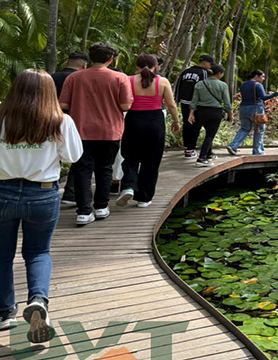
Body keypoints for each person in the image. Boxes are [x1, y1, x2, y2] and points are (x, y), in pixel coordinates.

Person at [0, 69, 83, 341]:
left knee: (1, 255)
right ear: (50, 92)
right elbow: (73, 156)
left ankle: (3, 313)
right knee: (38, 252)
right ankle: (38, 300)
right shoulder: (61, 122)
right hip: (41, 195)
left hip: (1, 193)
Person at [58, 42, 134, 226]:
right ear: (111, 58)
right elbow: (126, 106)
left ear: (90, 57)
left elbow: (63, 105)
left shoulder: (74, 78)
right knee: (105, 169)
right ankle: (101, 207)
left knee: (82, 170)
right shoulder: (120, 78)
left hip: (81, 130)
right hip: (109, 131)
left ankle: (83, 211)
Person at [117, 54, 181, 209]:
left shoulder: (129, 80)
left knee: (130, 156)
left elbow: (122, 101)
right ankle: (144, 198)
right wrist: (176, 121)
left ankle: (128, 185)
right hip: (154, 122)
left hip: (133, 120)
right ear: (156, 66)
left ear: (137, 66)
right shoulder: (163, 81)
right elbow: (171, 105)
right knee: (151, 161)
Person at [52, 51, 89, 208]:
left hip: (50, 121)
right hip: (75, 122)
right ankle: (70, 194)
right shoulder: (81, 79)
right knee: (79, 158)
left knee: (51, 158)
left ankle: (51, 192)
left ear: (67, 62)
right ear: (84, 65)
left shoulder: (51, 77)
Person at [187, 64, 233, 166]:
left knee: (200, 132)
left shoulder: (199, 84)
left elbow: (194, 101)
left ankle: (208, 153)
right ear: (219, 73)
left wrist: (191, 114)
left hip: (200, 111)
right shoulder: (222, 85)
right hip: (215, 112)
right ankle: (202, 158)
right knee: (210, 135)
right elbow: (227, 103)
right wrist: (231, 115)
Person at [227, 70, 278, 156]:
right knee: (259, 129)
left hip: (243, 108)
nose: (263, 78)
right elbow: (264, 97)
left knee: (244, 128)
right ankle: (257, 151)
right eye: (262, 76)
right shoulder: (258, 85)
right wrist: (276, 93)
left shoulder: (243, 84)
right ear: (256, 76)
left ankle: (233, 145)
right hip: (255, 109)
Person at [175, 55, 215, 158]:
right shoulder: (204, 73)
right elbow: (205, 87)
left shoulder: (186, 72)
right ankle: (191, 149)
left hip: (184, 102)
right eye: (210, 64)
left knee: (187, 124)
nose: (210, 67)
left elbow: (178, 86)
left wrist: (177, 100)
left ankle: (187, 148)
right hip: (197, 104)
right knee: (196, 126)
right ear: (205, 63)